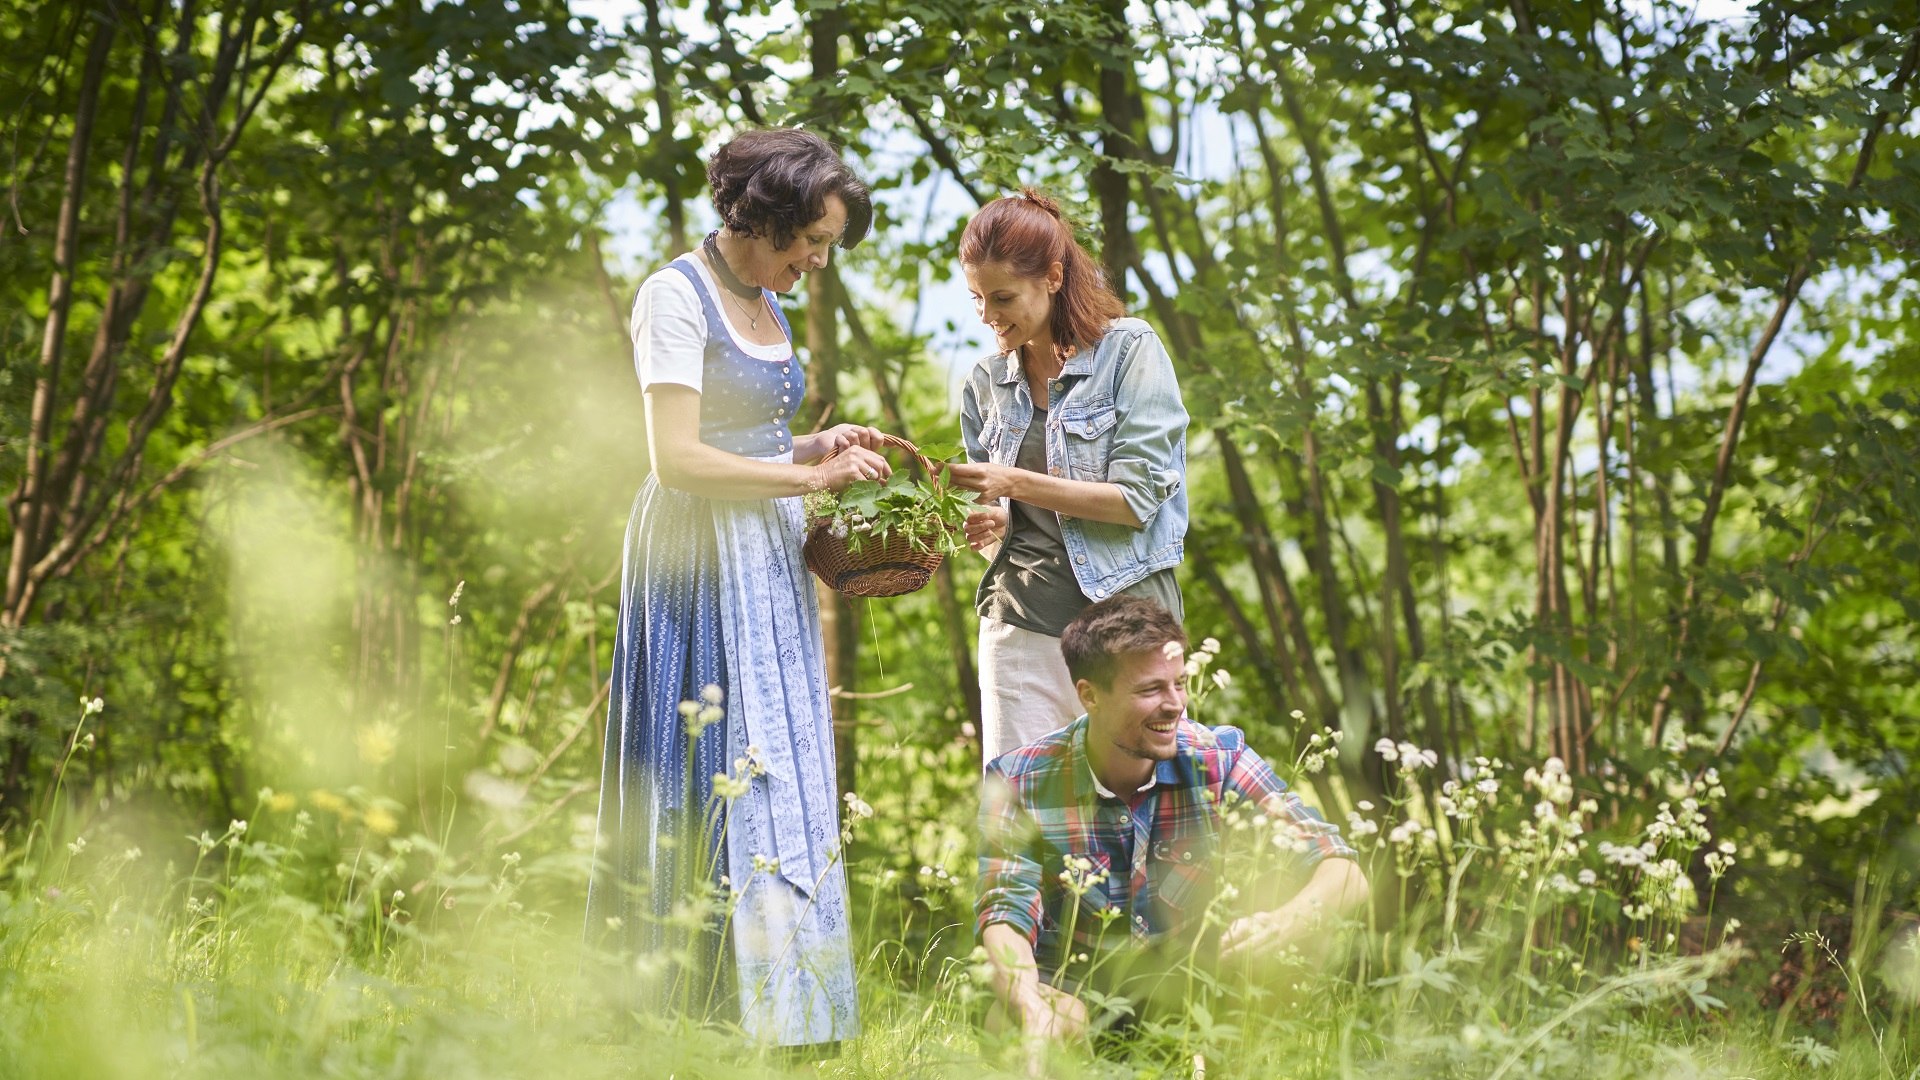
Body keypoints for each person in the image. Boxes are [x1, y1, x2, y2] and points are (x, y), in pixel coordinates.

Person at [587, 127, 889, 1052]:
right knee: (711, 763)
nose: (817, 261)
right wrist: (812, 484)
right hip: (695, 555)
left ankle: (793, 1011)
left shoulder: (766, 301)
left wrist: (815, 447)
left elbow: (749, 441)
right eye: (813, 240)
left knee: (780, 761)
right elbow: (677, 460)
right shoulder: (673, 299)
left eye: (827, 245)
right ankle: (695, 1010)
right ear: (765, 216)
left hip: (763, 549)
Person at [976, 595, 1368, 1050]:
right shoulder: (1018, 780)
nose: (1175, 704)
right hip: (1076, 993)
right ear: (1089, 696)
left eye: (1179, 684)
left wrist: (1287, 921)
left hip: (1194, 995)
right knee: (1004, 1022)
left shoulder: (1219, 759)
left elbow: (1344, 870)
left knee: (1294, 948)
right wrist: (1033, 1007)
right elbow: (1005, 915)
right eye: (1150, 690)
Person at [948, 190, 1190, 766]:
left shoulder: (1129, 351)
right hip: (1020, 627)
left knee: (1145, 815)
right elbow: (1002, 513)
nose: (987, 315)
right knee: (1025, 824)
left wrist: (1012, 484)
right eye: (977, 298)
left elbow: (1135, 502)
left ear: (1053, 276)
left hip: (1126, 631)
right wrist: (989, 523)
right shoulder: (985, 383)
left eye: (1002, 297)